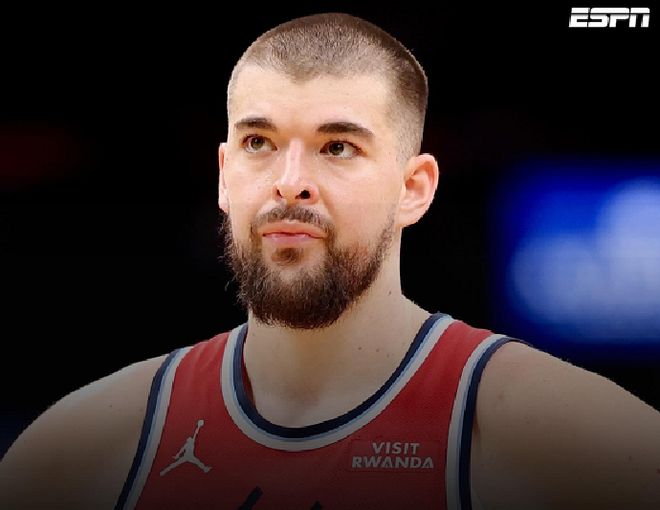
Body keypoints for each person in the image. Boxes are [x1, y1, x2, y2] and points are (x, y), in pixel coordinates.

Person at [1, 12, 659, 510]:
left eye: (337, 147)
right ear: (224, 176)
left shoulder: (566, 435)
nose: (290, 183)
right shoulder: (80, 451)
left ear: (415, 188)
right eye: (259, 143)